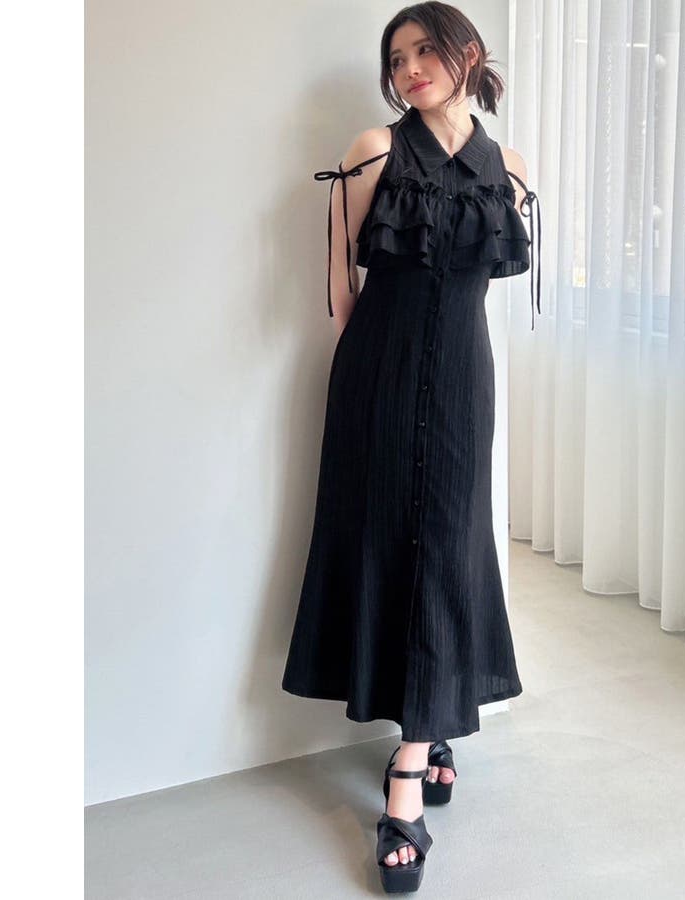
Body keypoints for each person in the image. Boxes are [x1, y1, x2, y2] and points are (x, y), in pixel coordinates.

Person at [281, 1, 541, 891]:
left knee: (453, 550)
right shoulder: (372, 151)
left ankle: (413, 759)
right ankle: (424, 746)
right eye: (397, 57)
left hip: (466, 374)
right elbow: (340, 288)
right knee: (390, 543)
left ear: (470, 54)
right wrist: (370, 376)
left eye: (427, 49)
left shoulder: (510, 168)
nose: (411, 68)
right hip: (378, 374)